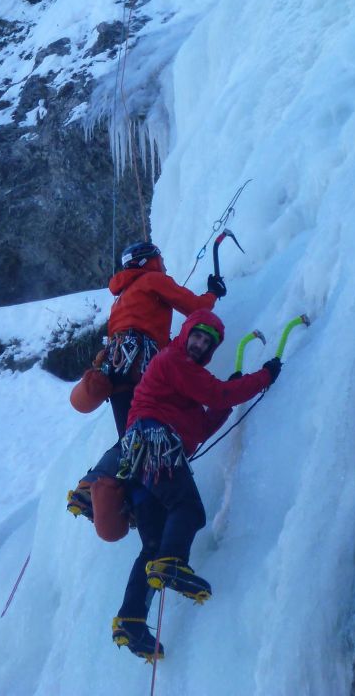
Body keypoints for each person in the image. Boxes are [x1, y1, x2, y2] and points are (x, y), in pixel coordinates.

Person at [111, 309, 282, 660]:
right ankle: (173, 563)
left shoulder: (185, 383)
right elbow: (218, 394)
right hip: (155, 443)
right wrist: (263, 377)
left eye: (207, 342)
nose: (200, 344)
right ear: (186, 334)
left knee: (153, 546)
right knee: (187, 508)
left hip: (142, 463)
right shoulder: (172, 360)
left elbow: (202, 427)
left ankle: (131, 620)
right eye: (197, 336)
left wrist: (231, 393)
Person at [66, 241, 225, 524]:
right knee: (136, 438)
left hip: (117, 370)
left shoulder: (122, 296)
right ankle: (96, 484)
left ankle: (123, 495)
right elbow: (195, 308)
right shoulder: (152, 280)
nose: (164, 264)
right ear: (147, 261)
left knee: (132, 439)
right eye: (159, 258)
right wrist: (213, 293)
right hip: (141, 367)